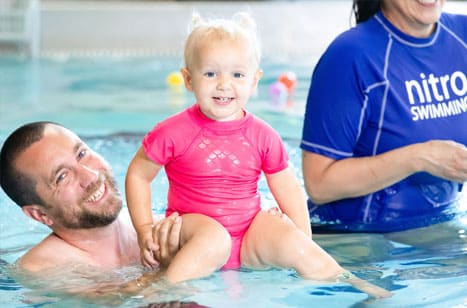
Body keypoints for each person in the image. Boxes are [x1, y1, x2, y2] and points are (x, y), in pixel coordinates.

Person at [125, 12, 391, 298]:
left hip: (249, 236)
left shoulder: (262, 135)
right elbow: (139, 174)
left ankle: (354, 286)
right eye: (211, 73)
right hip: (194, 236)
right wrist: (144, 230)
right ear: (189, 79)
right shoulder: (172, 132)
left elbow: (287, 187)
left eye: (237, 74)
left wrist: (302, 237)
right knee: (214, 238)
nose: (224, 84)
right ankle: (158, 292)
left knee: (290, 240)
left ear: (254, 81)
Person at [0, 121, 230, 297]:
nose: (90, 176)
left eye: (82, 153)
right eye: (62, 177)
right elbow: (120, 302)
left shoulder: (151, 223)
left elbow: (217, 237)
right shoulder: (42, 270)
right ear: (39, 214)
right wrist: (168, 274)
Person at [301, 0, 467, 233]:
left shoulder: (462, 37)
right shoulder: (350, 55)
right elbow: (318, 185)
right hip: (355, 238)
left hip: (439, 227)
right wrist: (419, 158)